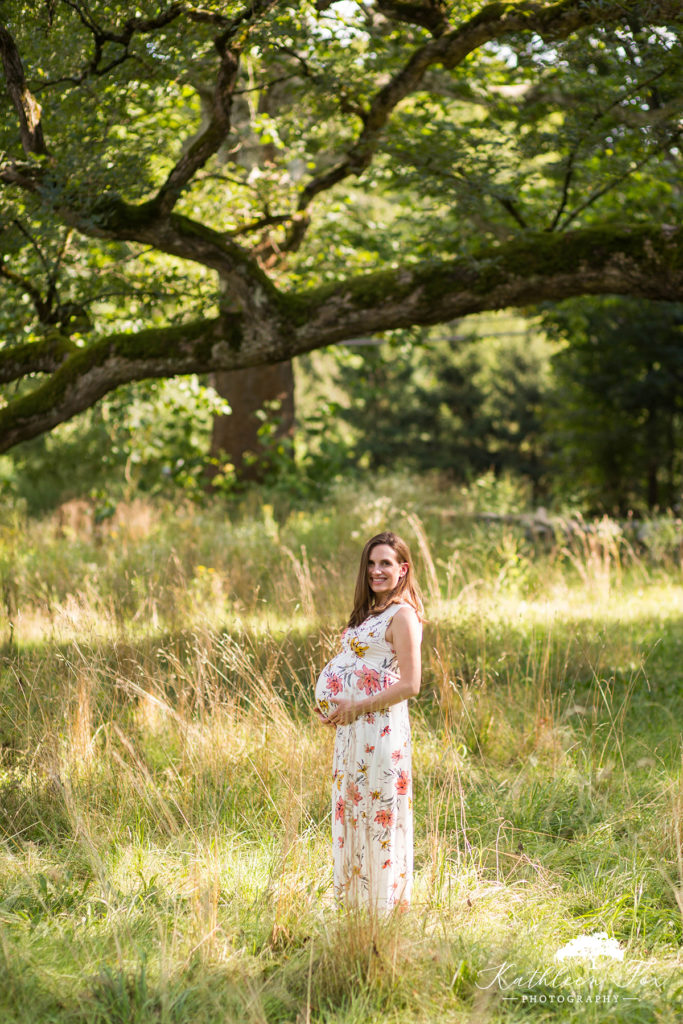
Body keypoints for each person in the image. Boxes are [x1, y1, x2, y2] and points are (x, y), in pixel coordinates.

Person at [314, 531, 424, 911]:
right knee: (353, 809)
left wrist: (356, 706)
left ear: (403, 569)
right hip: (353, 730)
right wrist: (335, 706)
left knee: (378, 812)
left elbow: (411, 684)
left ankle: (381, 908)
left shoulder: (403, 615)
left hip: (381, 730)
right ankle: (354, 907)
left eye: (386, 564)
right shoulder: (368, 613)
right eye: (372, 563)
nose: (376, 571)